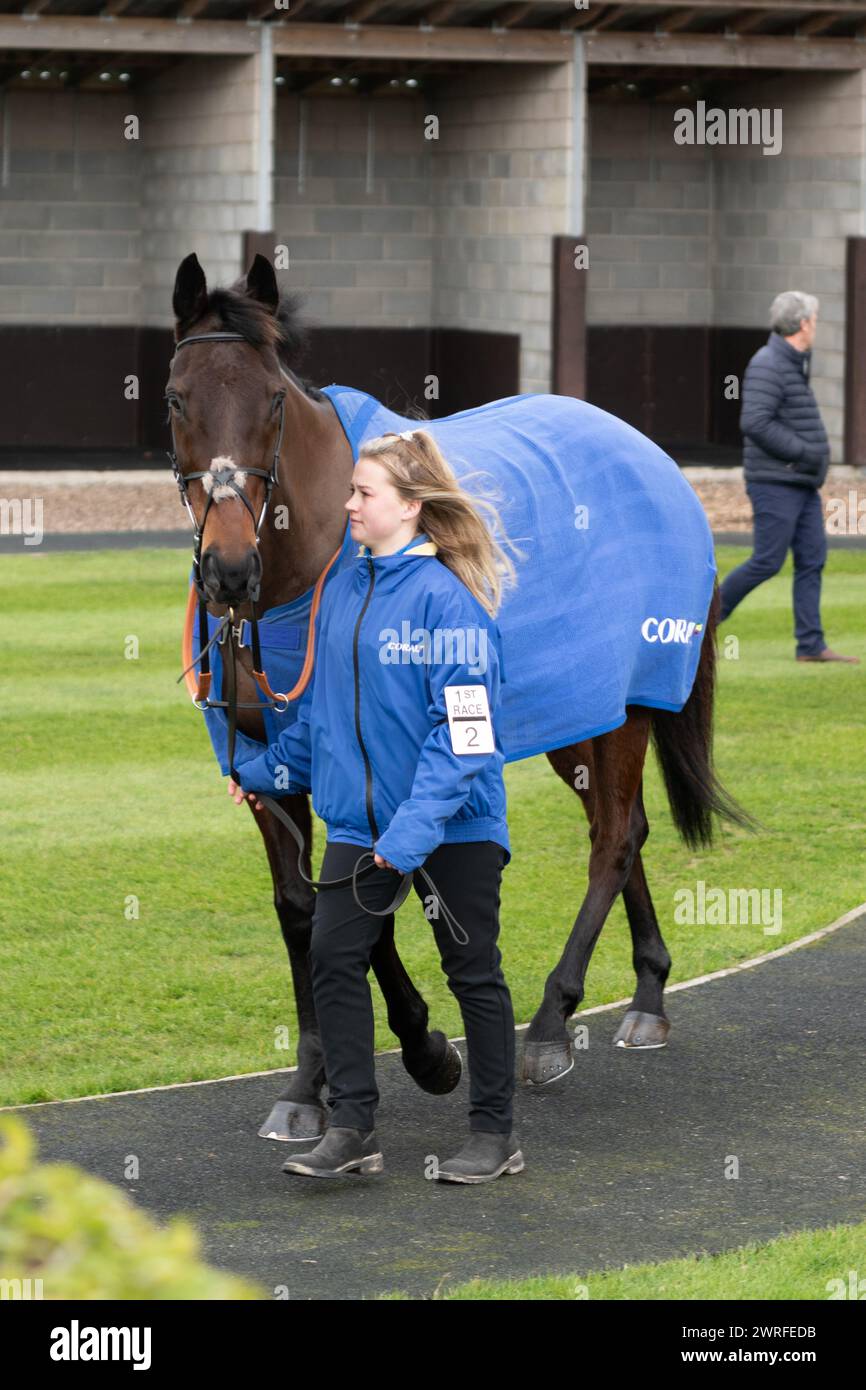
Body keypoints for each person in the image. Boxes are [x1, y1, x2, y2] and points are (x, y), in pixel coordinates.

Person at [229, 427, 525, 1183]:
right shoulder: (344, 584)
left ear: (411, 506)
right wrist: (266, 770)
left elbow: (463, 739)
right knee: (332, 956)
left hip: (451, 827)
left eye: (364, 493)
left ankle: (495, 1135)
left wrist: (410, 835)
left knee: (472, 972)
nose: (349, 504)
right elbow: (324, 713)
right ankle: (355, 1128)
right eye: (352, 490)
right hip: (361, 827)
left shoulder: (449, 604)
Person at [719, 289, 858, 663]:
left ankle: (810, 645)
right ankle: (702, 625)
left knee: (812, 558)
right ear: (802, 324)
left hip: (800, 483)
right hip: (774, 482)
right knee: (767, 560)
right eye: (814, 320)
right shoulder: (768, 363)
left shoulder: (794, 362)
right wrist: (805, 453)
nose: (816, 327)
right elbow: (755, 422)